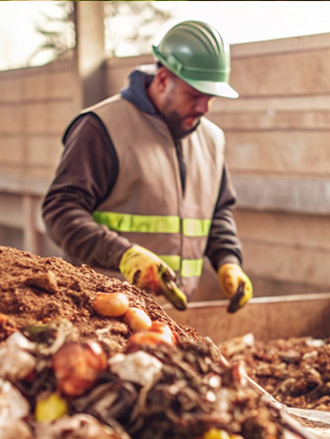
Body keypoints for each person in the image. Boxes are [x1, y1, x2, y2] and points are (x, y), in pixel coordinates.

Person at [41, 20, 252, 312]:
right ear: (164, 79)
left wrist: (228, 260)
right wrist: (123, 256)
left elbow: (217, 212)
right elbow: (60, 211)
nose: (204, 108)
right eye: (195, 95)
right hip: (106, 311)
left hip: (172, 315)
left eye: (210, 97)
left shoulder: (211, 139)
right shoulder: (102, 128)